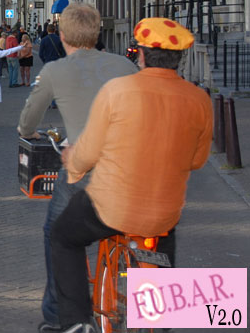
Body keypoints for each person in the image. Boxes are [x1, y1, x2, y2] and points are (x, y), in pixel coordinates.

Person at [50, 17, 213, 333]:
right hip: (163, 212)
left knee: (63, 237)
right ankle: (160, 317)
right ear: (179, 58)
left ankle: (76, 322)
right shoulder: (200, 100)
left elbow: (89, 151)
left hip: (111, 208)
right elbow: (197, 160)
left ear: (139, 54)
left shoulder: (118, 90)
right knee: (164, 237)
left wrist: (74, 164)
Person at [17, 3, 138, 333]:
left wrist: (28, 133)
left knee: (55, 233)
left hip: (84, 173)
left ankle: (59, 317)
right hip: (131, 174)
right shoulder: (125, 66)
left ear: (61, 35)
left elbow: (28, 120)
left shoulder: (56, 70)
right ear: (98, 32)